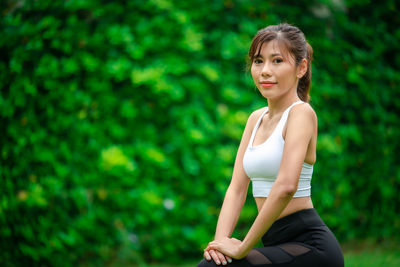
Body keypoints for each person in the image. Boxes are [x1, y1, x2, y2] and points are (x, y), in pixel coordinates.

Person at [197, 23, 344, 267]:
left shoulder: (301, 114)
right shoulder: (255, 118)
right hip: (276, 243)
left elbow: (286, 186)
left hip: (311, 248)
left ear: (301, 67)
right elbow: (236, 188)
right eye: (258, 61)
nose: (265, 70)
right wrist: (219, 245)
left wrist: (244, 247)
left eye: (277, 61)